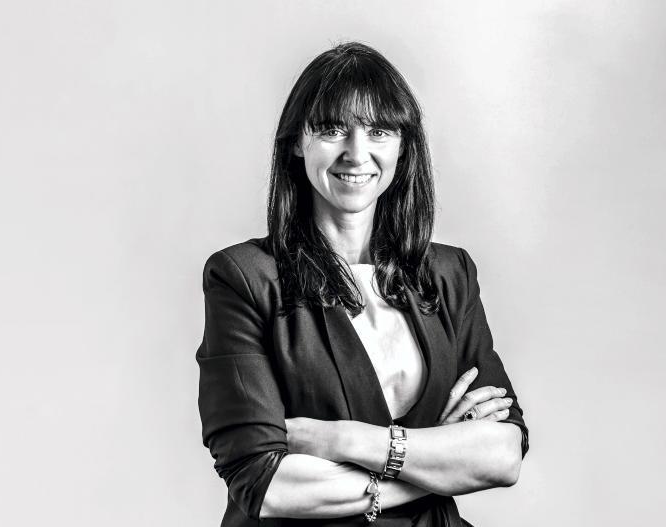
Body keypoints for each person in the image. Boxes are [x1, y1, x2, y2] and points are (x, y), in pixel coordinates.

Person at [196, 41, 529, 527]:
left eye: (378, 131)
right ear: (297, 142)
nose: (357, 154)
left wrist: (346, 441)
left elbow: (503, 455)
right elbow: (266, 484)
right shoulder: (244, 277)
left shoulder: (449, 274)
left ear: (403, 146)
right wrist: (442, 461)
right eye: (332, 129)